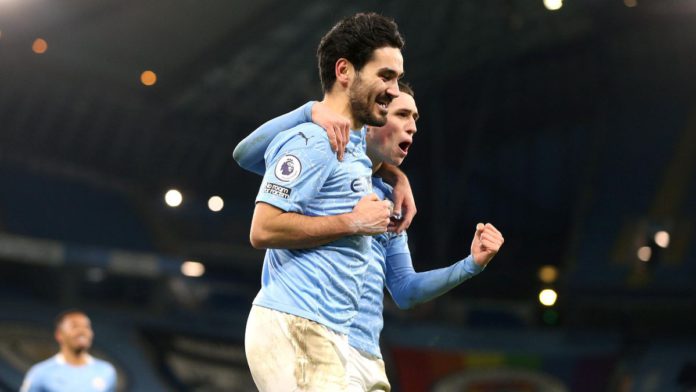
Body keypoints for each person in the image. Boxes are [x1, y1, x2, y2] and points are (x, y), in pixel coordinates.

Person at [235, 82, 505, 391]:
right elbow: (245, 155)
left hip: (365, 354)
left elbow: (405, 290)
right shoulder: (326, 154)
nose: (413, 127)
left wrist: (470, 265)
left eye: (416, 118)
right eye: (403, 114)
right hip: (307, 326)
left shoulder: (388, 199)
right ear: (373, 117)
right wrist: (309, 112)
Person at [239, 12, 407, 391]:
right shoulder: (314, 139)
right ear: (344, 71)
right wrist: (353, 222)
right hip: (297, 323)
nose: (395, 90)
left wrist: (396, 175)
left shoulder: (354, 153)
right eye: (385, 76)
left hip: (326, 332)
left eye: (396, 78)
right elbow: (263, 229)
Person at [20, 310, 117, 392]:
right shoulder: (40, 372)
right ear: (59, 334)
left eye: (86, 327)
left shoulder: (106, 371)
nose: (82, 331)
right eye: (74, 326)